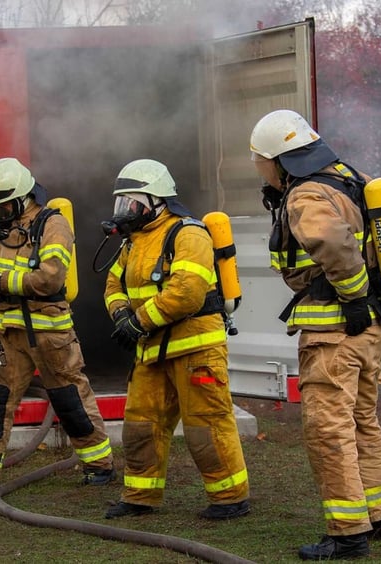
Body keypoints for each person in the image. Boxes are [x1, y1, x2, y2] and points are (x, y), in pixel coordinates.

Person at [249, 109, 381, 560]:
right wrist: (368, 299)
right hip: (372, 327)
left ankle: (347, 533)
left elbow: (333, 243)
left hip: (336, 331)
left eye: (262, 162)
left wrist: (354, 295)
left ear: (279, 159)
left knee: (328, 428)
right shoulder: (354, 179)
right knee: (362, 420)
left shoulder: (306, 194)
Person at [0, 157, 115, 491]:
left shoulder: (53, 224)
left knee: (70, 400)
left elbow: (49, 279)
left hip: (50, 334)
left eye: (4, 206)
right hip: (8, 334)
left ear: (23, 197)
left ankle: (100, 466)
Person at [101, 158, 250, 521]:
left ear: (156, 201)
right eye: (121, 204)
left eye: (131, 204)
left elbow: (187, 292)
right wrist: (122, 316)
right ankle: (140, 496)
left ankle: (230, 497)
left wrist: (137, 322)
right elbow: (112, 285)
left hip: (196, 348)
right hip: (152, 350)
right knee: (140, 424)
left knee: (206, 424)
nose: (125, 212)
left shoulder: (188, 234)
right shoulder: (133, 243)